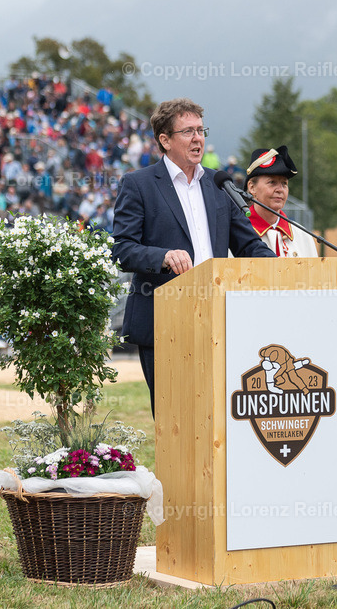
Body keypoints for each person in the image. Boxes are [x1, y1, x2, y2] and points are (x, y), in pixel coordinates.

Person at [111, 98, 275, 416]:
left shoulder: (219, 185)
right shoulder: (139, 184)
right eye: (188, 131)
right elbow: (123, 249)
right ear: (165, 139)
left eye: (201, 130)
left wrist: (283, 268)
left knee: (218, 415)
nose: (198, 138)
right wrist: (163, 256)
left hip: (217, 320)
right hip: (164, 319)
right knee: (175, 416)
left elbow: (249, 246)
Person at [243, 145, 318, 257]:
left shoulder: (302, 235)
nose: (280, 190)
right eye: (272, 182)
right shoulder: (239, 233)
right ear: (252, 187)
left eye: (284, 184)